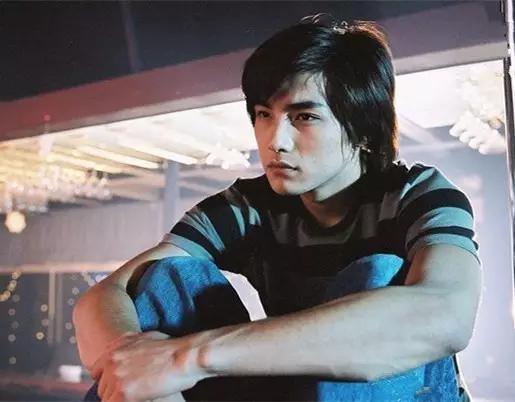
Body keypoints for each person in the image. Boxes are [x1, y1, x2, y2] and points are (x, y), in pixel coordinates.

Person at [73, 15, 482, 402]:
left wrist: (187, 357)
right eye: (264, 115)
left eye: (303, 117)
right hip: (293, 393)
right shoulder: (248, 207)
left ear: (361, 127)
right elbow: (106, 295)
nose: (275, 141)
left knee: (377, 275)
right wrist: (137, 370)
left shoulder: (416, 194)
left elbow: (446, 314)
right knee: (168, 277)